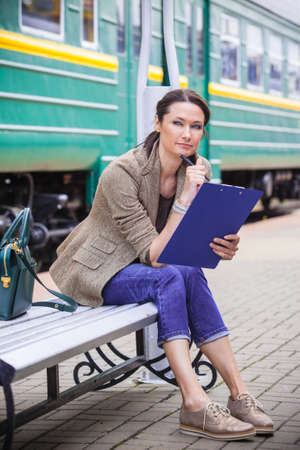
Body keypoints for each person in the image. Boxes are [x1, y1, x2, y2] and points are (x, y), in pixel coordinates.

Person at [50, 89, 274, 441]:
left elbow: (186, 244)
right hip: (97, 269)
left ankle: (240, 395)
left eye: (196, 126)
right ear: (158, 123)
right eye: (178, 123)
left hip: (147, 263)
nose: (187, 134)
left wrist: (222, 246)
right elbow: (156, 255)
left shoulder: (197, 169)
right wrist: (184, 202)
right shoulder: (121, 173)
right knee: (169, 276)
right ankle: (194, 402)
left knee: (189, 271)